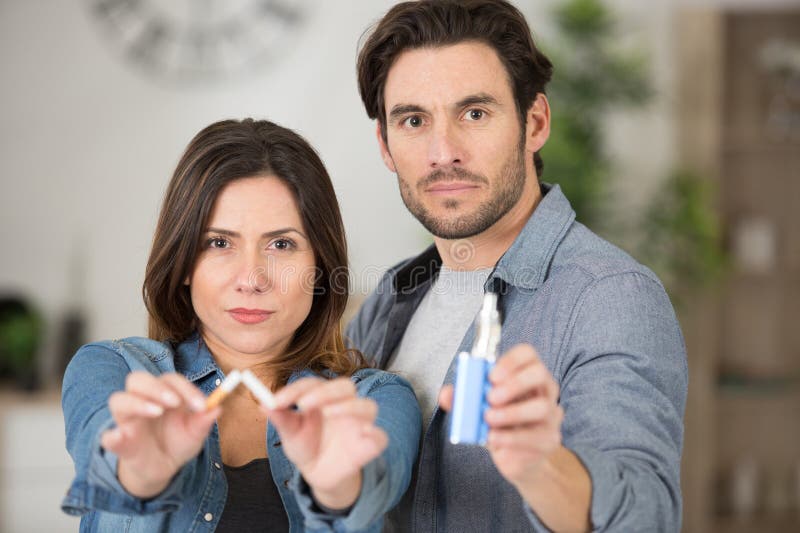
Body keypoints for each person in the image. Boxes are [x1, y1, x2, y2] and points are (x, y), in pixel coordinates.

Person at [348, 1, 688, 531]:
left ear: (535, 122)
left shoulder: (610, 297)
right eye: (413, 120)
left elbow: (646, 511)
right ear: (386, 146)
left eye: (475, 113)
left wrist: (540, 466)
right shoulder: (393, 294)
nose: (444, 152)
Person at [60, 119, 422, 532]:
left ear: (320, 266)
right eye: (219, 243)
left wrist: (338, 487)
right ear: (183, 265)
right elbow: (105, 458)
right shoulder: (113, 369)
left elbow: (373, 486)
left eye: (281, 244)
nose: (251, 279)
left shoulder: (375, 400)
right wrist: (142, 473)